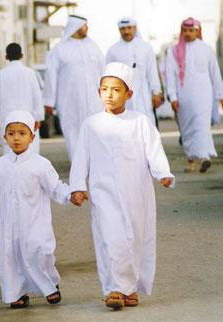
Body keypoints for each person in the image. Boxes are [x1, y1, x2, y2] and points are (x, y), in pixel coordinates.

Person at [69, 63, 174, 310]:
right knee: (110, 238)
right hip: (102, 192)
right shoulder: (91, 124)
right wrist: (77, 186)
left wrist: (163, 173)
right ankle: (114, 289)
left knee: (134, 239)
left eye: (116, 89)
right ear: (98, 92)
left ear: (129, 94)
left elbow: (154, 151)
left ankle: (130, 289)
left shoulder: (140, 122)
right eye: (104, 89)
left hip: (136, 192)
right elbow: (81, 158)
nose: (109, 94)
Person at [0, 110, 73, 309]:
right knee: (10, 258)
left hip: (35, 224)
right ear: (5, 137)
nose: (16, 138)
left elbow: (56, 187)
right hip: (9, 226)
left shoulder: (41, 165)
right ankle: (16, 294)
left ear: (32, 136)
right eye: (11, 134)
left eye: (22, 133)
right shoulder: (0, 165)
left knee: (40, 253)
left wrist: (71, 194)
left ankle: (50, 285)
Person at [165, 17, 223, 173]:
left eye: (192, 30)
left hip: (203, 94)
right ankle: (191, 161)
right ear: (181, 31)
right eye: (185, 30)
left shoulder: (207, 49)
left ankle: (205, 157)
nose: (188, 33)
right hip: (183, 96)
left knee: (201, 125)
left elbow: (215, 74)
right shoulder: (174, 51)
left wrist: (220, 95)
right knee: (187, 129)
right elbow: (170, 75)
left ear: (198, 31)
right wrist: (173, 96)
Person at [43, 14, 104, 160]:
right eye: (84, 25)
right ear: (76, 26)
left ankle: (95, 167)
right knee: (73, 134)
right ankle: (77, 168)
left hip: (94, 102)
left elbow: (103, 72)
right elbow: (51, 76)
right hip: (69, 101)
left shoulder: (93, 47)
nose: (87, 28)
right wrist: (49, 101)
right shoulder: (59, 50)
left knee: (95, 133)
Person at [106, 17, 163, 126]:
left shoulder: (146, 47)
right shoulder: (113, 50)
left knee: (145, 124)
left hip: (143, 94)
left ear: (135, 28)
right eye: (122, 29)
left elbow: (152, 72)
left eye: (129, 28)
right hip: (122, 96)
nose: (126, 31)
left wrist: (156, 92)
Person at [0, 42, 44, 154]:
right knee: (31, 149)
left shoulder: (1, 74)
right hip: (28, 117)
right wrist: (38, 117)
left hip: (7, 119)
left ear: (6, 57)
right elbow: (37, 96)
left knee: (9, 150)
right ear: (21, 55)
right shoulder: (30, 73)